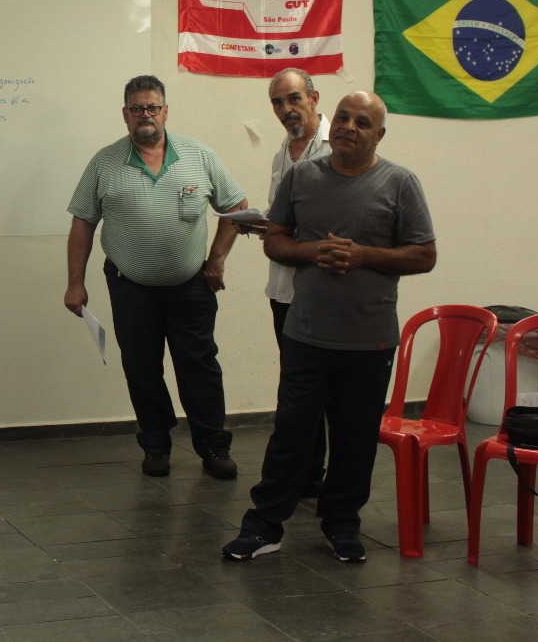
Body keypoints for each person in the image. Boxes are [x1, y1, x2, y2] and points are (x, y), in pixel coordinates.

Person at [223, 91, 436, 564]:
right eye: (343, 117)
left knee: (354, 438)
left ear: (378, 135)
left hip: (369, 338)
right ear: (331, 120)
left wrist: (363, 256)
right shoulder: (302, 177)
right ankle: (264, 526)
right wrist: (311, 251)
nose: (349, 127)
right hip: (306, 333)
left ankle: (342, 524)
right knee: (291, 432)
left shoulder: (400, 182)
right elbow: (275, 241)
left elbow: (424, 254)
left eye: (362, 122)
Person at [65, 75, 249, 479]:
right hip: (130, 286)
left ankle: (214, 447)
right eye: (137, 108)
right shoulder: (104, 162)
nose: (145, 115)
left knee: (200, 366)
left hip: (192, 286)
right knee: (142, 368)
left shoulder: (199, 155)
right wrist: (75, 283)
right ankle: (156, 446)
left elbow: (237, 207)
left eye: (152, 107)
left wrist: (217, 260)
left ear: (165, 111)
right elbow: (82, 223)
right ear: (125, 114)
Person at [263, 69, 330, 498]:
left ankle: (316, 476)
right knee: (295, 384)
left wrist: (288, 232)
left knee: (318, 388)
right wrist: (264, 226)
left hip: (320, 288)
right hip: (283, 288)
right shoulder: (282, 152)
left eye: (293, 99)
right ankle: (306, 475)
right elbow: (281, 215)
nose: (286, 109)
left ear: (313, 98)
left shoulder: (337, 146)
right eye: (277, 102)